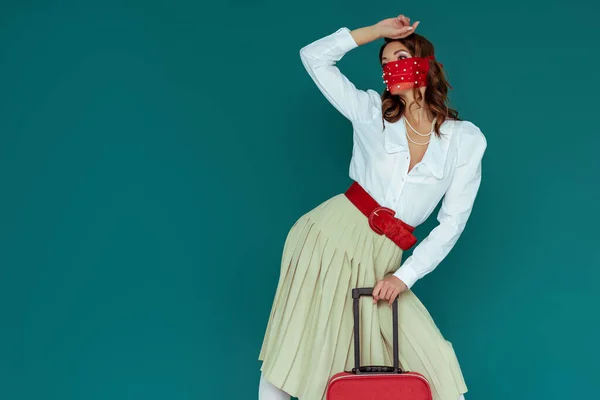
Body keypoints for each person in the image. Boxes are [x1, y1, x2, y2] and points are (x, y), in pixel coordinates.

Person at [257, 14, 487, 400]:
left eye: (399, 57)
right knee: (297, 350)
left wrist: (405, 276)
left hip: (386, 258)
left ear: (425, 65)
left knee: (435, 362)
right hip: (330, 237)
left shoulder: (465, 140)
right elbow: (313, 58)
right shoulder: (370, 113)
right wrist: (376, 33)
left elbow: (452, 224)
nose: (389, 67)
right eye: (383, 63)